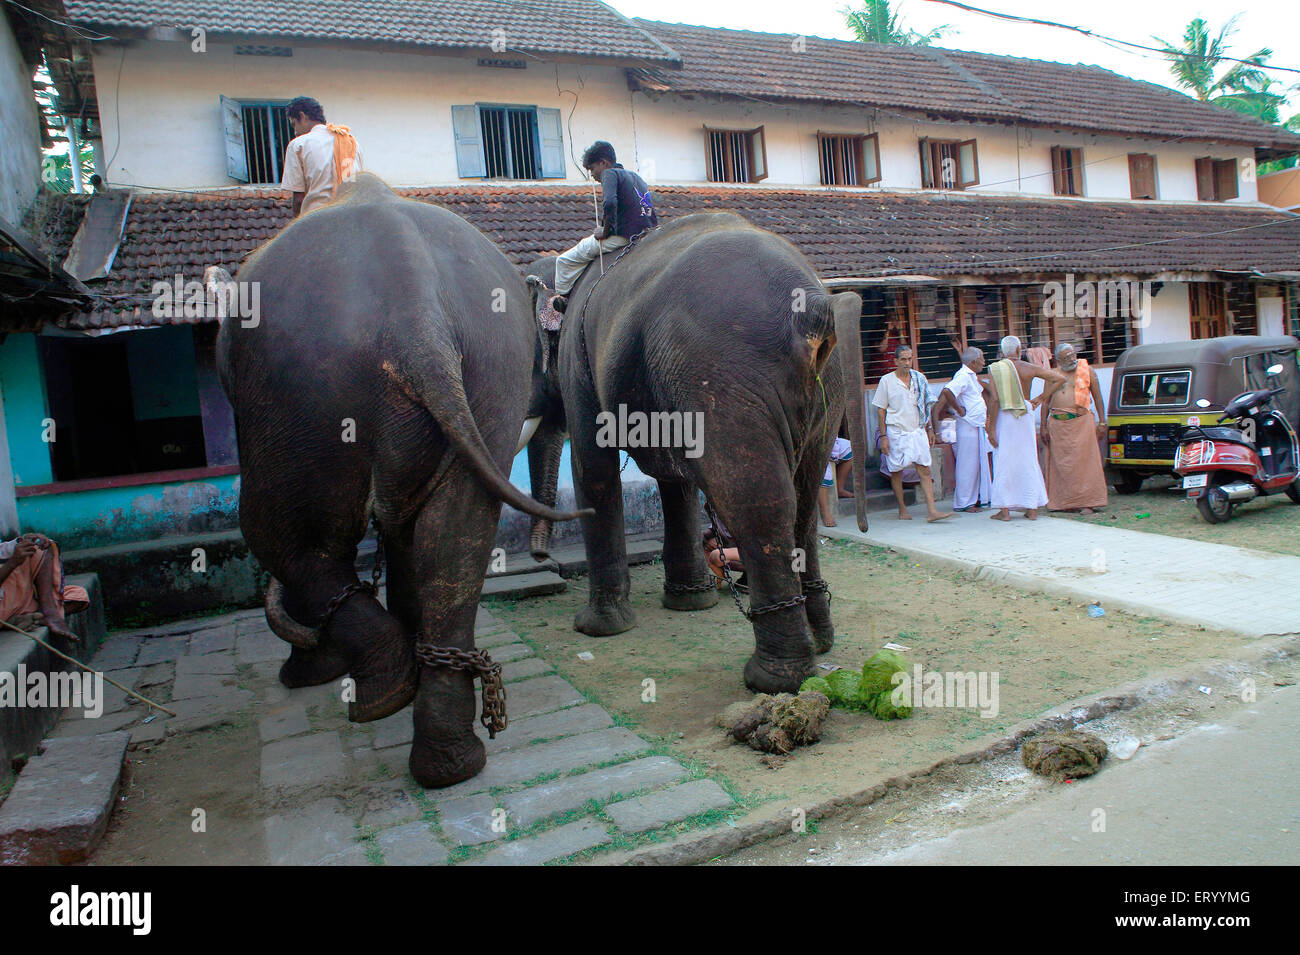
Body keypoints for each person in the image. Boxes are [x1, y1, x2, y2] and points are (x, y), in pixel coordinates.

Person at [551, 141, 657, 313]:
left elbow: (609, 203)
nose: (592, 175)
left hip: (624, 237)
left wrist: (605, 231)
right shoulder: (637, 178)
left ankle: (562, 306)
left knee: (563, 261)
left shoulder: (609, 174)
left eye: (592, 169)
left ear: (603, 163)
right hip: (648, 234)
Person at [986, 335, 1065, 521]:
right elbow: (1059, 378)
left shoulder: (996, 368)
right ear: (1019, 350)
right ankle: (1031, 509)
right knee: (1028, 458)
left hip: (1005, 416)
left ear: (1002, 352)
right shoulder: (1028, 367)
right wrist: (1040, 398)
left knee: (1004, 459)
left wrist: (990, 426)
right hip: (1025, 413)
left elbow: (995, 399)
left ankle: (1004, 511)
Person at [872, 345, 952, 522]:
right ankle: (902, 508)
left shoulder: (919, 378)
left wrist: (929, 429)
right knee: (896, 471)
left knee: (924, 469)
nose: (907, 363)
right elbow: (880, 411)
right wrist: (883, 437)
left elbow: (925, 405)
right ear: (895, 361)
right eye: (903, 359)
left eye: (909, 359)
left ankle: (932, 511)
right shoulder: (886, 380)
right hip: (896, 432)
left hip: (917, 430)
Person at [1042, 342, 1109, 514]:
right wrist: (1043, 426)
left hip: (1081, 423)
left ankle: (1087, 502)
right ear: (1058, 360)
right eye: (1066, 357)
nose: (1071, 359)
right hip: (1058, 425)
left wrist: (1102, 422)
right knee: (1062, 466)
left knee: (1085, 464)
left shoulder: (1086, 370)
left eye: (1072, 355)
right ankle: (1064, 502)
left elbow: (1098, 398)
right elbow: (1045, 401)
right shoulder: (1052, 375)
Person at [281, 96, 364, 218]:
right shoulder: (352, 143)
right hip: (352, 219)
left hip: (316, 221)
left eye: (294, 125)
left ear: (302, 116)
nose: (295, 132)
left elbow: (298, 200)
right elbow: (357, 184)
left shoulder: (299, 144)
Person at [933, 346, 992, 512]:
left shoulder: (972, 376)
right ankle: (964, 503)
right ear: (973, 362)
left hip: (975, 425)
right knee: (967, 465)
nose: (984, 361)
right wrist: (959, 409)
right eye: (981, 358)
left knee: (976, 464)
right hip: (967, 425)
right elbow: (948, 391)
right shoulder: (964, 376)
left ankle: (976, 498)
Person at [0, 533, 89, 642]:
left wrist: (28, 540)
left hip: (11, 600)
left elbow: (4, 550)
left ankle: (48, 611)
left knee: (78, 596)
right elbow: (10, 561)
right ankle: (11, 621)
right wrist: (12, 563)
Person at [818, 434, 854, 527]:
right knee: (823, 471)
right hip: (814, 444)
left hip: (831, 440)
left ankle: (840, 488)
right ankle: (825, 511)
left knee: (852, 448)